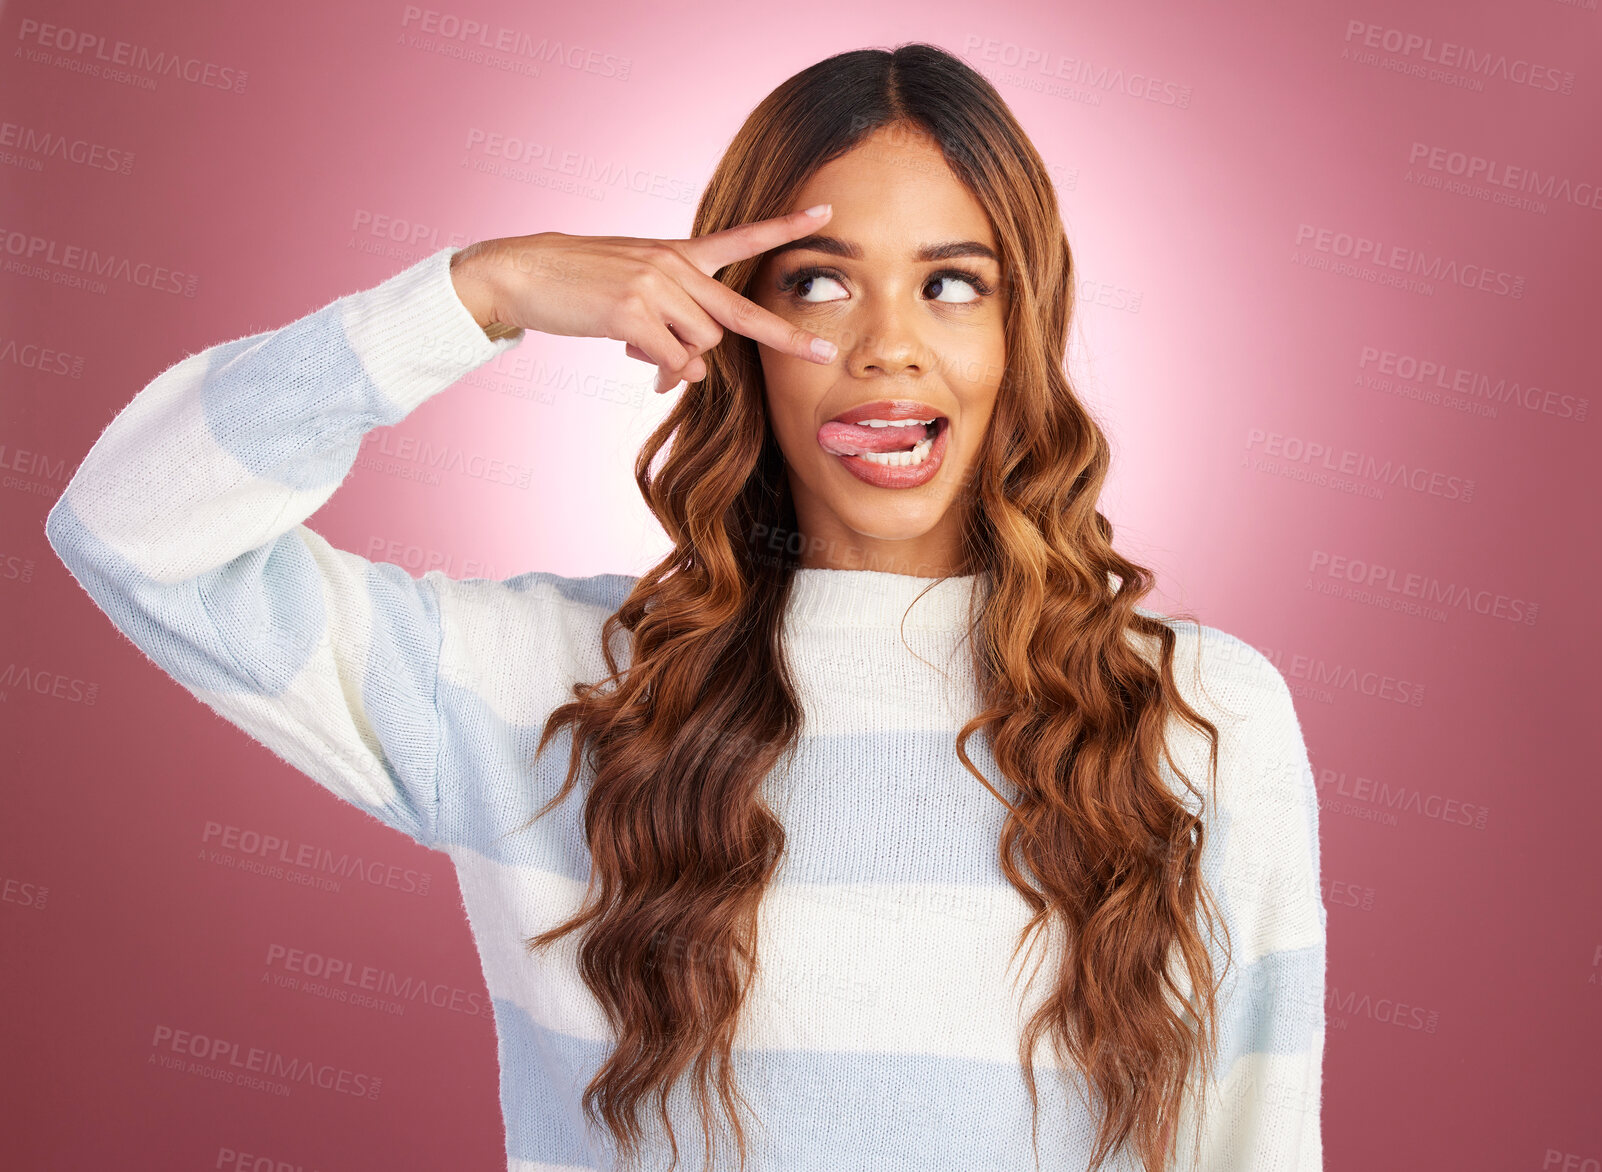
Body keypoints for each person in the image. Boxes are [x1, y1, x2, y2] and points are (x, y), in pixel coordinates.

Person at [45, 42, 1325, 1172]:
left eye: (951, 284)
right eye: (819, 281)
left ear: (1022, 331)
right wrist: (478, 292)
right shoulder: (546, 686)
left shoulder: (1201, 716)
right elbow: (133, 527)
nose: (888, 344)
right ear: (736, 323)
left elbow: (1258, 1146)